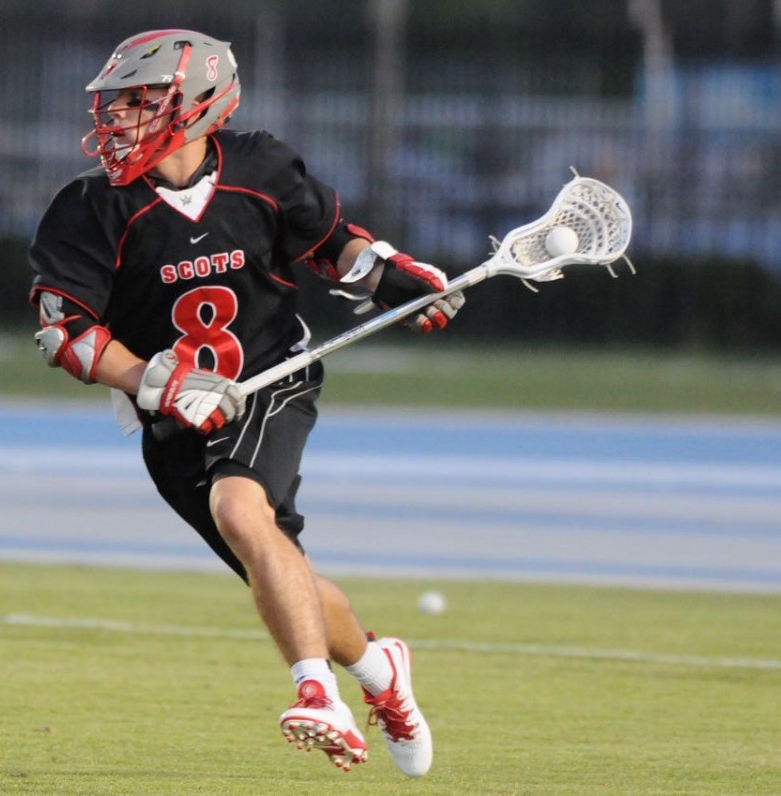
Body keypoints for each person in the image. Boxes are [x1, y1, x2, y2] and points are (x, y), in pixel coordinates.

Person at [28, 29, 464, 777]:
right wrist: (161, 384)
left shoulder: (259, 166)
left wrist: (386, 274)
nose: (118, 119)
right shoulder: (90, 206)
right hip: (172, 419)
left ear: (199, 103)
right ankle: (380, 668)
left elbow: (329, 242)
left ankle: (317, 695)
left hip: (269, 376)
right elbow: (66, 335)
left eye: (139, 101)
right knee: (278, 567)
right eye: (116, 104)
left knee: (239, 509)